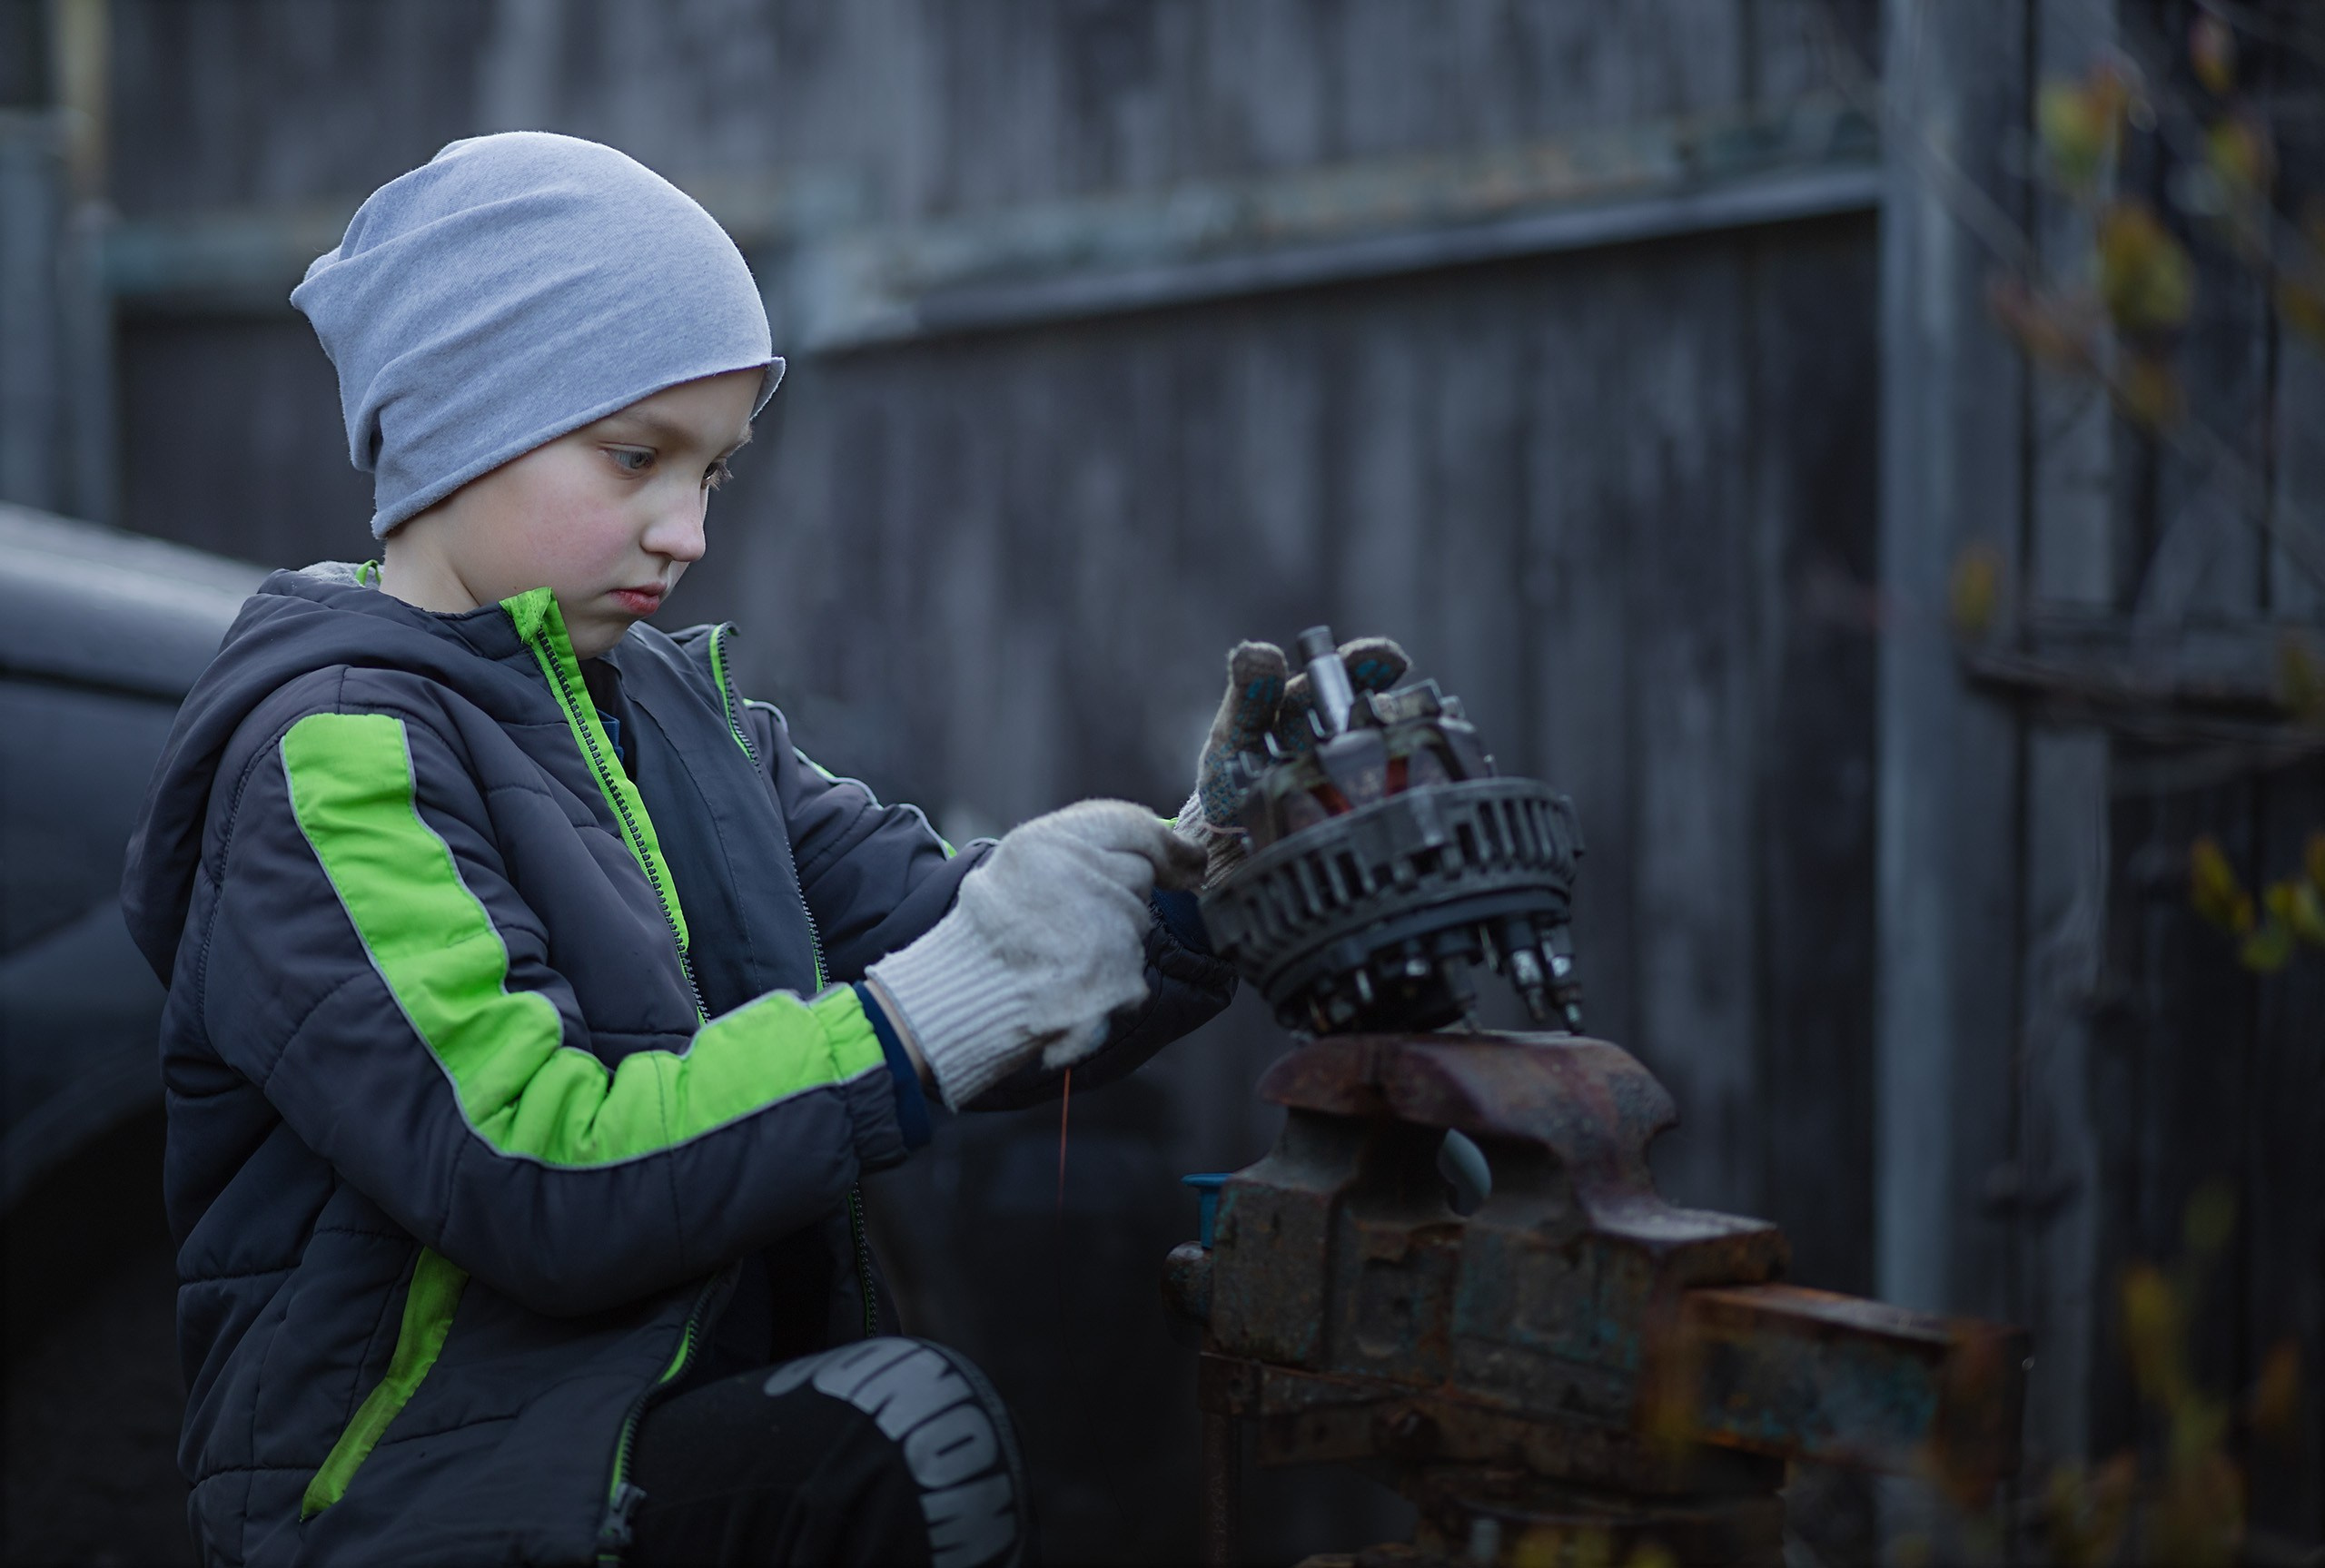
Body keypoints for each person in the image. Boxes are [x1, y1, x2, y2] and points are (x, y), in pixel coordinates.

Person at [119, 133, 1408, 1568]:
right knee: (896, 1444)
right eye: (635, 457)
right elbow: (538, 1163)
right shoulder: (337, 756)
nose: (686, 533)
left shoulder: (683, 716)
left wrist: (1209, 878)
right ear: (456, 421)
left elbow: (947, 940)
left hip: (647, 1417)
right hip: (411, 1489)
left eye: (715, 473)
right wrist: (933, 1012)